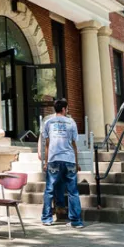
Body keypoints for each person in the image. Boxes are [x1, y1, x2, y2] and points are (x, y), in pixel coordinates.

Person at [41, 98, 83, 228]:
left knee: (49, 190)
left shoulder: (48, 123)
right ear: (64, 109)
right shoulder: (71, 123)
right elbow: (74, 144)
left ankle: (47, 219)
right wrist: (77, 163)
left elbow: (47, 145)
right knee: (73, 191)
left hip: (54, 159)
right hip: (69, 159)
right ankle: (76, 221)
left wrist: (45, 162)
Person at [38, 114, 67, 219]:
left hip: (58, 157)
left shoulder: (66, 121)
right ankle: (54, 210)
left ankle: (56, 208)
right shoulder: (49, 120)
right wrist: (40, 151)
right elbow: (42, 137)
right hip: (54, 157)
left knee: (56, 184)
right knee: (53, 185)